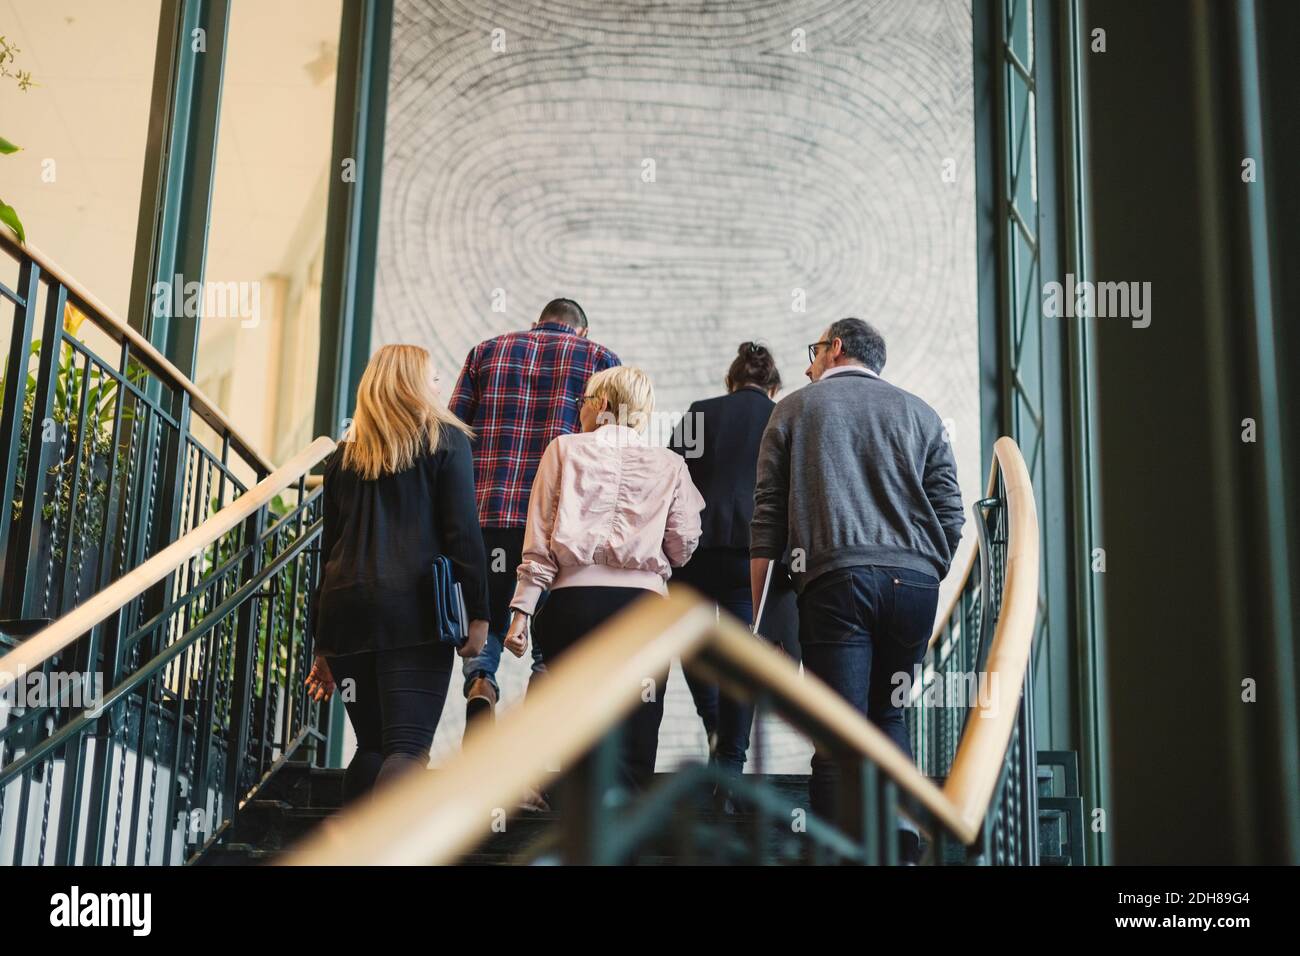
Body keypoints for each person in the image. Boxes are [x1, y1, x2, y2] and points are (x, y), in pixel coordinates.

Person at [750, 318, 964, 860]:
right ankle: (900, 831)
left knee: (837, 728)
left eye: (814, 350)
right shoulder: (921, 413)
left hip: (836, 581)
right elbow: (952, 513)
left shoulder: (796, 408)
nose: (807, 364)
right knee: (887, 714)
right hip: (913, 585)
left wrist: (761, 620)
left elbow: (767, 519)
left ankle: (837, 849)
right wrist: (927, 565)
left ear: (836, 347)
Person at [503, 366, 705, 791]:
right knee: (636, 732)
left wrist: (521, 611)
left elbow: (538, 539)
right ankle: (625, 843)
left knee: (578, 734)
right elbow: (683, 547)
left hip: (574, 604)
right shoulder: (670, 464)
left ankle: (577, 837)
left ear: (605, 405)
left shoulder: (563, 450)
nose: (580, 410)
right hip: (643, 609)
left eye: (585, 401)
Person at [305, 344, 489, 806]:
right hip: (413, 613)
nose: (440, 386)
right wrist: (479, 616)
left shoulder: (343, 459)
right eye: (432, 378)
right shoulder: (445, 441)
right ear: (412, 386)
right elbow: (463, 535)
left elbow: (327, 553)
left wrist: (323, 644)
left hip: (346, 614)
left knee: (373, 746)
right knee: (407, 749)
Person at [449, 298, 620, 725]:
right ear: (580, 330)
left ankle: (480, 683)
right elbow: (612, 445)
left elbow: (451, 434)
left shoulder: (485, 352)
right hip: (558, 524)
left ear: (536, 323)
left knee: (485, 613)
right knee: (550, 638)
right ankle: (532, 740)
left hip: (486, 517)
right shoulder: (600, 359)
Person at [669, 342, 798, 793]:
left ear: (731, 380)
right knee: (744, 655)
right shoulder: (783, 415)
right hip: (754, 555)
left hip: (695, 553)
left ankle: (713, 724)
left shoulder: (700, 412)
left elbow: (671, 475)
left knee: (695, 645)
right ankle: (730, 759)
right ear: (773, 385)